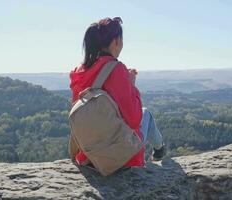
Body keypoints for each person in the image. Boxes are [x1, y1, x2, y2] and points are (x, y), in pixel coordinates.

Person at [69, 17, 165, 169]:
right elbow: (134, 119)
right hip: (121, 157)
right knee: (146, 114)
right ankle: (159, 151)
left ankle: (159, 150)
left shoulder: (78, 72)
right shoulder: (116, 69)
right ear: (115, 42)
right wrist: (131, 84)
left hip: (90, 156)